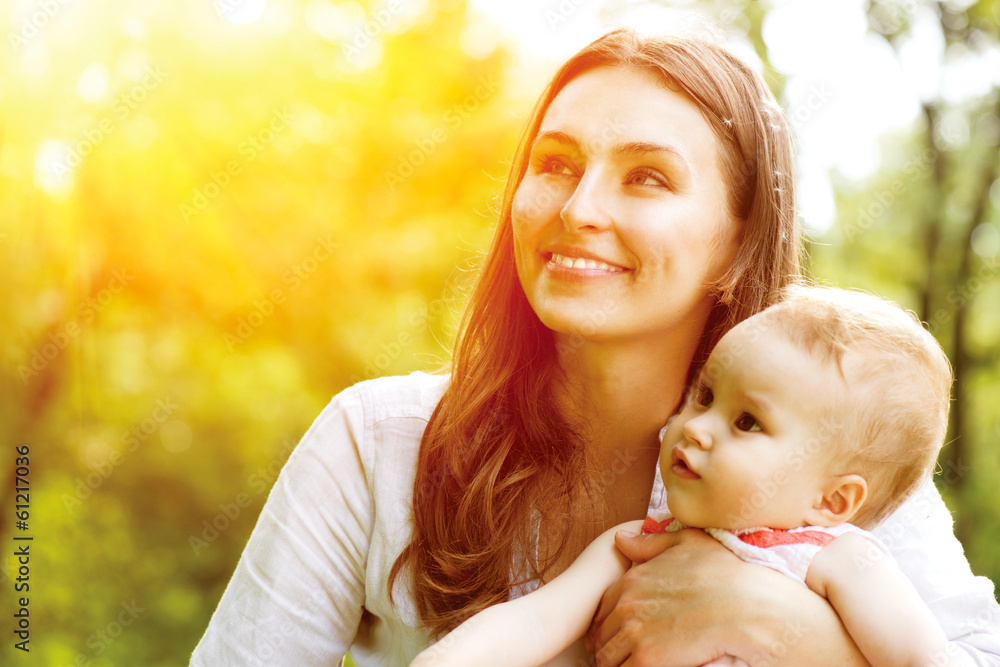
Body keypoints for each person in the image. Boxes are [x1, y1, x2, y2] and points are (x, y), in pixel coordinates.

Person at [190, 29, 1000, 666]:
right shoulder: (376, 444)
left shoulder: (824, 453)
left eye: (647, 177)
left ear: (737, 243)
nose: (577, 208)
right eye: (555, 163)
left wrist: (772, 623)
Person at [409, 285, 955, 667]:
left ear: (833, 501)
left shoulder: (836, 561)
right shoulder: (638, 545)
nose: (696, 429)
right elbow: (529, 623)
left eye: (747, 422)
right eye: (705, 396)